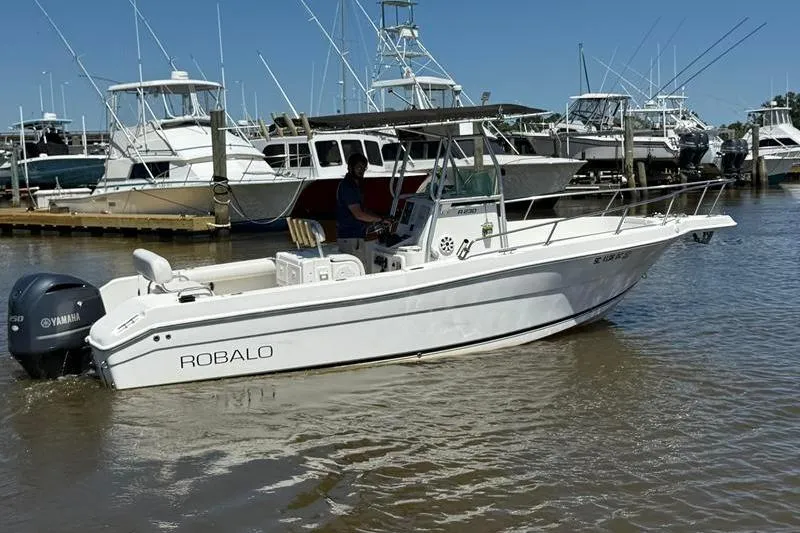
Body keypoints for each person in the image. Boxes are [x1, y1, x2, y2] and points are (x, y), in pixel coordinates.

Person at [336, 152, 391, 265]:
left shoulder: (355, 186)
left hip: (356, 236)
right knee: (359, 270)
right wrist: (379, 220)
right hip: (350, 237)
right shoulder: (348, 187)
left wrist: (381, 217)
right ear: (350, 167)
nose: (362, 171)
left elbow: (364, 210)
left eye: (364, 168)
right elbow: (359, 214)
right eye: (359, 167)